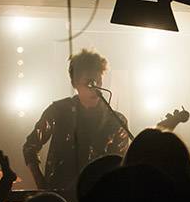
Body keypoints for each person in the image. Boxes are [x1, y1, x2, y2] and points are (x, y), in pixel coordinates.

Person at [23, 49, 129, 192]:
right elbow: (30, 146)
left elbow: (122, 163)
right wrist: (42, 186)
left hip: (98, 196)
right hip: (60, 193)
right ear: (75, 83)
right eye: (88, 82)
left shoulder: (116, 120)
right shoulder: (58, 111)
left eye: (98, 80)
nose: (95, 86)